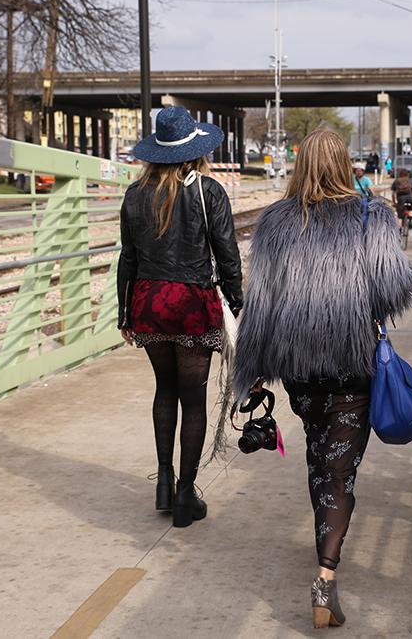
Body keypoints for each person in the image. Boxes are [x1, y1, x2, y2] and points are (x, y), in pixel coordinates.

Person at [233, 129, 412, 628]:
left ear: (300, 166)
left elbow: (260, 303)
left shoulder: (275, 222)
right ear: (344, 166)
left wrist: (252, 370)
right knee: (339, 469)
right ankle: (325, 576)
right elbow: (395, 290)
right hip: (351, 362)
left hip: (299, 368)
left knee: (319, 454)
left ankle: (324, 538)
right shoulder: (372, 216)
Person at [117, 106, 243, 528]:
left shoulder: (135, 194)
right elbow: (228, 257)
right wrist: (237, 303)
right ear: (196, 151)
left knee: (164, 390)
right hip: (192, 304)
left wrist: (124, 313)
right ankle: (186, 495)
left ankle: (163, 483)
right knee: (193, 400)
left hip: (149, 302)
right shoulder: (210, 192)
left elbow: (128, 259)